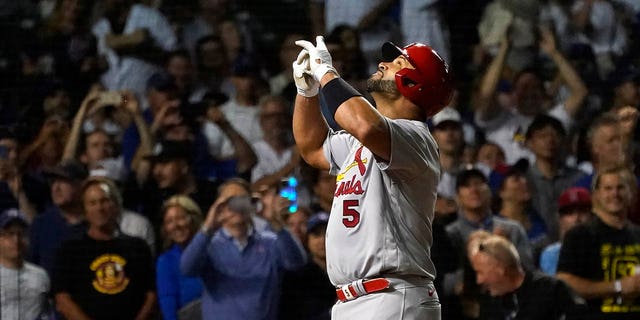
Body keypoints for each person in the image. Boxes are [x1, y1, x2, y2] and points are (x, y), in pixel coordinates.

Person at [292, 36, 452, 319]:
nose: (382, 63)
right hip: (356, 300)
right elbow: (312, 148)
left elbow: (365, 126)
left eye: (396, 63)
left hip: (392, 296)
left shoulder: (416, 138)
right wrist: (307, 92)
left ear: (413, 83)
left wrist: (328, 74)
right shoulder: (363, 141)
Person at [180, 194, 306, 320]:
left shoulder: (269, 241)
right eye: (231, 203)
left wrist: (276, 224)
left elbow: (296, 263)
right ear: (219, 208)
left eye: (242, 202)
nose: (237, 208)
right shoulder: (209, 245)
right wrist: (207, 227)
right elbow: (187, 269)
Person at [52, 178, 156, 320]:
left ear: (116, 205)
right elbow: (62, 298)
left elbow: (150, 294)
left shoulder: (137, 247)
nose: (99, 208)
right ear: (85, 210)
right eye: (92, 203)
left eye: (105, 201)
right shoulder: (70, 250)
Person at [557, 166, 640, 319]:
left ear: (631, 193)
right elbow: (564, 283)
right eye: (608, 188)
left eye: (620, 188)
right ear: (596, 195)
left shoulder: (637, 234)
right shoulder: (579, 235)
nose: (615, 194)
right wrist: (618, 286)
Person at [468, 231, 585, 320]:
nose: (479, 280)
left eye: (481, 272)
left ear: (500, 269)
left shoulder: (551, 290)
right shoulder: (489, 303)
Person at [29, 160, 88, 276]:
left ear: (81, 186)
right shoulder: (41, 224)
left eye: (63, 181)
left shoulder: (95, 223)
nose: (56, 188)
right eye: (53, 182)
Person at [280, 212, 336, 320]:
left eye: (327, 234)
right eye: (316, 235)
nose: (322, 240)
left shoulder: (348, 274)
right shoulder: (297, 278)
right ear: (307, 240)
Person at [156, 195, 203, 320]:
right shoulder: (166, 261)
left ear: (193, 219)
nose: (176, 225)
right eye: (169, 221)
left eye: (181, 218)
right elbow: (168, 305)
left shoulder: (212, 251)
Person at [0, 209, 52, 320]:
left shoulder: (40, 275)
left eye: (21, 234)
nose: (16, 240)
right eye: (10, 234)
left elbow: (47, 314)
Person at [539, 187, 592, 275]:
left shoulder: (601, 247)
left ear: (592, 216)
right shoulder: (551, 254)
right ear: (560, 218)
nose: (577, 218)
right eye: (570, 213)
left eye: (582, 211)